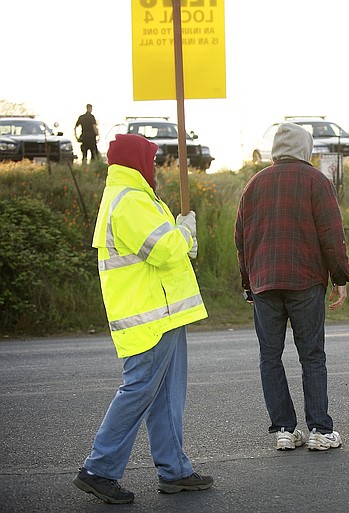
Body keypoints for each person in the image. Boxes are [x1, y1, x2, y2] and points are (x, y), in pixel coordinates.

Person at [73, 133, 212, 504]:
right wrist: (184, 232)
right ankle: (99, 469)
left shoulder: (131, 197)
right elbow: (164, 249)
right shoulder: (131, 200)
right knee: (139, 392)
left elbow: (162, 249)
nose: (153, 164)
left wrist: (180, 235)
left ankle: (175, 471)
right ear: (137, 161)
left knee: (166, 395)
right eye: (149, 158)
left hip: (160, 313)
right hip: (151, 316)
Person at [235, 123, 349, 452]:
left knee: (269, 357)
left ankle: (285, 430)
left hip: (264, 284)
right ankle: (319, 429)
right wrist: (340, 278)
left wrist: (249, 284)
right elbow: (331, 234)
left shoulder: (254, 184)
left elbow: (241, 240)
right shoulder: (316, 180)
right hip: (305, 281)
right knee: (312, 355)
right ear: (306, 148)